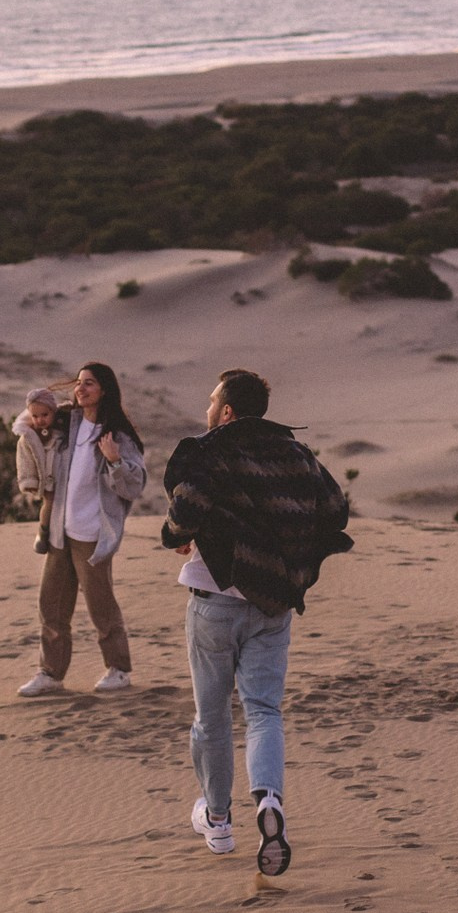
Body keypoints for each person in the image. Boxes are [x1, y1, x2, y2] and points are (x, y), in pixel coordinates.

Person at [160, 368, 351, 877]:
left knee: (212, 714)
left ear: (225, 411)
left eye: (211, 400)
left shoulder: (211, 450)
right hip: (273, 604)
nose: (207, 409)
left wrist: (180, 531)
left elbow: (186, 508)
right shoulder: (295, 454)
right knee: (264, 710)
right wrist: (287, 547)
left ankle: (219, 821)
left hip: (214, 600)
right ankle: (269, 801)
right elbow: (334, 508)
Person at [18, 362, 147, 698]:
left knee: (101, 606)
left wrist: (115, 460)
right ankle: (51, 674)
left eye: (89, 383)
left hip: (93, 535)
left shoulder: (117, 435)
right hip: (60, 531)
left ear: (104, 389)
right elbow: (25, 422)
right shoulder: (67, 423)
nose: (81, 388)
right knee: (51, 605)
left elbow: (134, 486)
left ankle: (119, 670)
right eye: (78, 383)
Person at [13, 386, 59, 554]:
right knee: (49, 503)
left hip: (64, 475)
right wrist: (29, 481)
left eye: (45, 415)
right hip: (47, 479)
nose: (40, 420)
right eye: (35, 416)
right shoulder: (29, 437)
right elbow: (25, 461)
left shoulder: (62, 430)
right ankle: (43, 531)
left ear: (53, 411)